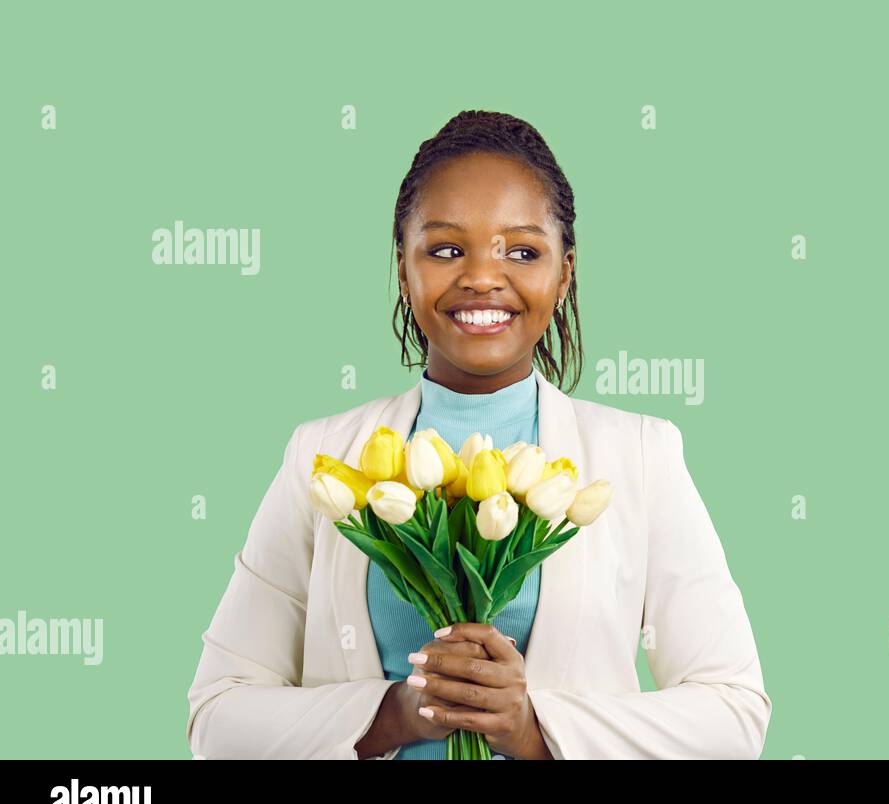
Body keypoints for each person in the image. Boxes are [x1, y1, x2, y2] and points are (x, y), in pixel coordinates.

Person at [186, 110, 771, 759]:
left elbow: (733, 713)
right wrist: (398, 712)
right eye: (445, 249)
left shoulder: (639, 455)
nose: (482, 277)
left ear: (565, 272)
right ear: (405, 269)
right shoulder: (323, 460)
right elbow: (218, 716)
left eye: (521, 250)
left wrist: (531, 727)